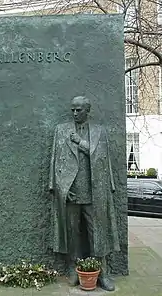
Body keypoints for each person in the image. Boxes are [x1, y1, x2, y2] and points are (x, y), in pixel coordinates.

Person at [49, 96, 120, 291]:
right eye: (72, 109)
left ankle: (102, 272)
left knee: (97, 233)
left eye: (79, 110)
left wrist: (81, 142)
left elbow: (102, 160)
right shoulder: (61, 130)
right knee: (72, 233)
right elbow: (56, 162)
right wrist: (60, 188)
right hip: (70, 192)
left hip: (94, 192)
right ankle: (73, 268)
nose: (75, 113)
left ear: (87, 110)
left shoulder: (99, 132)